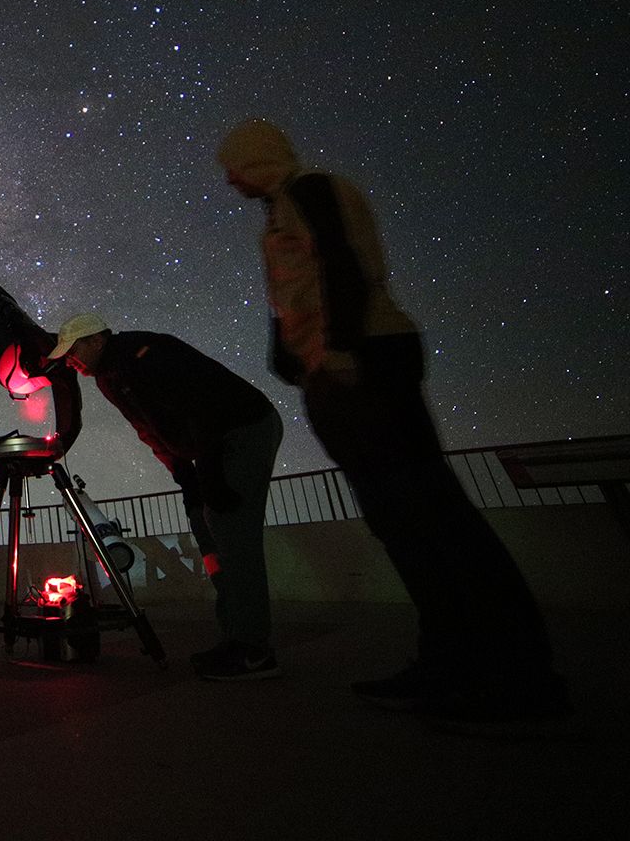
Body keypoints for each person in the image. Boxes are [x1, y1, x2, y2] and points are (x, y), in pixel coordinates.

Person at [217, 118, 564, 721]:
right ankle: (451, 661)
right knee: (400, 523)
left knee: (431, 515)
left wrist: (342, 351)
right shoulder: (280, 211)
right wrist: (296, 356)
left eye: (234, 165)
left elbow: (343, 265)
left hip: (365, 364)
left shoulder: (313, 190)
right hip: (337, 369)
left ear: (256, 160)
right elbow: (299, 287)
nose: (228, 179)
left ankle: (518, 676)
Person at [47, 313, 284, 680]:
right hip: (209, 445)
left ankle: (254, 649)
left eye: (74, 351)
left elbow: (200, 408)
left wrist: (209, 475)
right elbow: (149, 430)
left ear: (96, 340)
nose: (71, 361)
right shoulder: (109, 378)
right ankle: (234, 638)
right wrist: (186, 479)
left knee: (232, 531)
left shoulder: (148, 353)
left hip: (242, 429)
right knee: (210, 538)